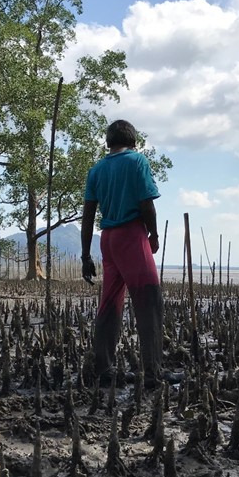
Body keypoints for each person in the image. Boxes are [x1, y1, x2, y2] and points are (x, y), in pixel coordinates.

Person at [81, 119, 166, 388]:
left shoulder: (96, 170)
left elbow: (87, 216)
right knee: (149, 302)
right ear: (133, 141)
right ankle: (153, 375)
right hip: (131, 235)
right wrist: (153, 235)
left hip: (107, 239)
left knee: (110, 303)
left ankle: (104, 368)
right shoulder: (137, 161)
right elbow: (145, 203)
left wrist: (85, 255)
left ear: (109, 143)